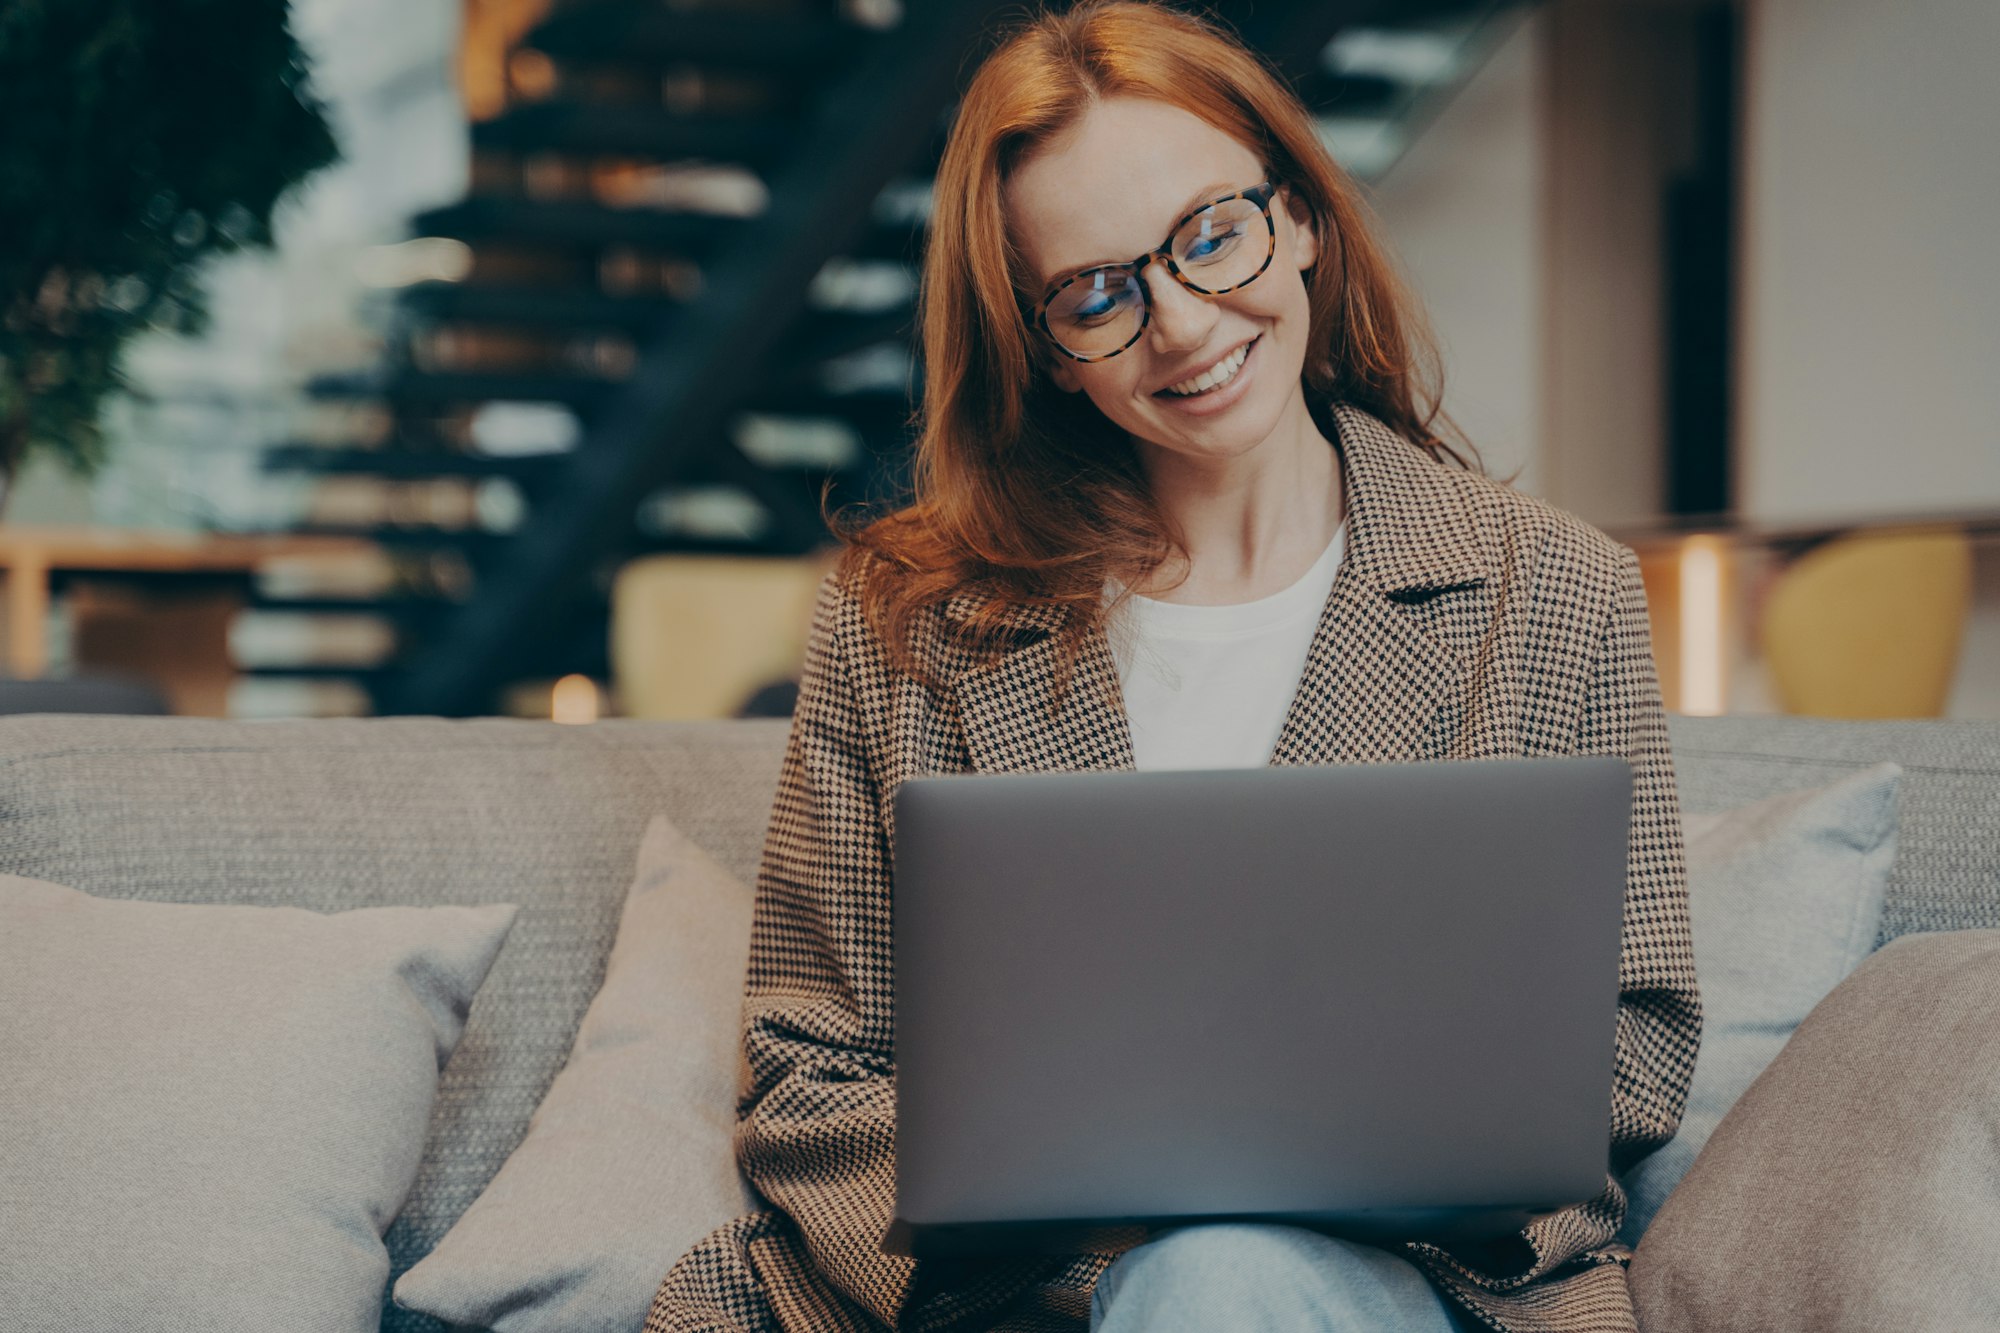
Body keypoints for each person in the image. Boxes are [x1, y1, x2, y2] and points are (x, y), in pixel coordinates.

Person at [644, 4, 1701, 1331]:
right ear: (1044, 351)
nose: (1184, 323)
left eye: (1212, 234)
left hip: (1392, 1286)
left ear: (1303, 219)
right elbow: (811, 1070)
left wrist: (1261, 1191)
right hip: (1007, 1299)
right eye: (1098, 292)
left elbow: (1631, 1039)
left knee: (1218, 1275)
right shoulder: (902, 618)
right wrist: (1090, 1241)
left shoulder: (1558, 592)